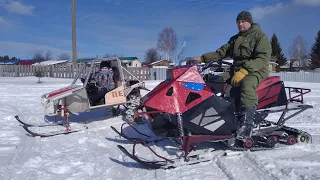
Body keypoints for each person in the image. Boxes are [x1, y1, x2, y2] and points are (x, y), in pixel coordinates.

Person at [192, 11, 272, 140]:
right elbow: (221, 52)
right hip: (236, 70)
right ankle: (210, 116)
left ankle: (246, 126)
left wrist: (245, 71)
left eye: (243, 22)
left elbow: (262, 58)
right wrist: (201, 58)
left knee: (247, 85)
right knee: (214, 80)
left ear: (249, 22)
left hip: (256, 70)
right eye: (238, 22)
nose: (240, 24)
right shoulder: (235, 39)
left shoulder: (260, 37)